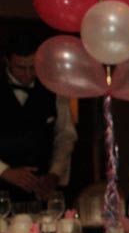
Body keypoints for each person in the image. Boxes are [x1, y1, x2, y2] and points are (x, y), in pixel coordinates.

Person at [0, 32, 76, 201]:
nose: (28, 74)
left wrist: (55, 173)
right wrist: (4, 171)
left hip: (40, 193)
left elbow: (65, 136)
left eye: (33, 67)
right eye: (21, 68)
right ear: (7, 62)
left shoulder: (54, 88)